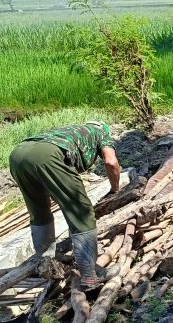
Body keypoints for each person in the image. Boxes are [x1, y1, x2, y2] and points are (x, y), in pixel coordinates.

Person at [9, 121, 121, 291]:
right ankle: (90, 276)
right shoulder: (101, 134)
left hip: (18, 154)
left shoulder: (71, 131)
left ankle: (46, 265)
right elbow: (111, 162)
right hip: (48, 156)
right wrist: (115, 189)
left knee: (39, 211)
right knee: (81, 213)